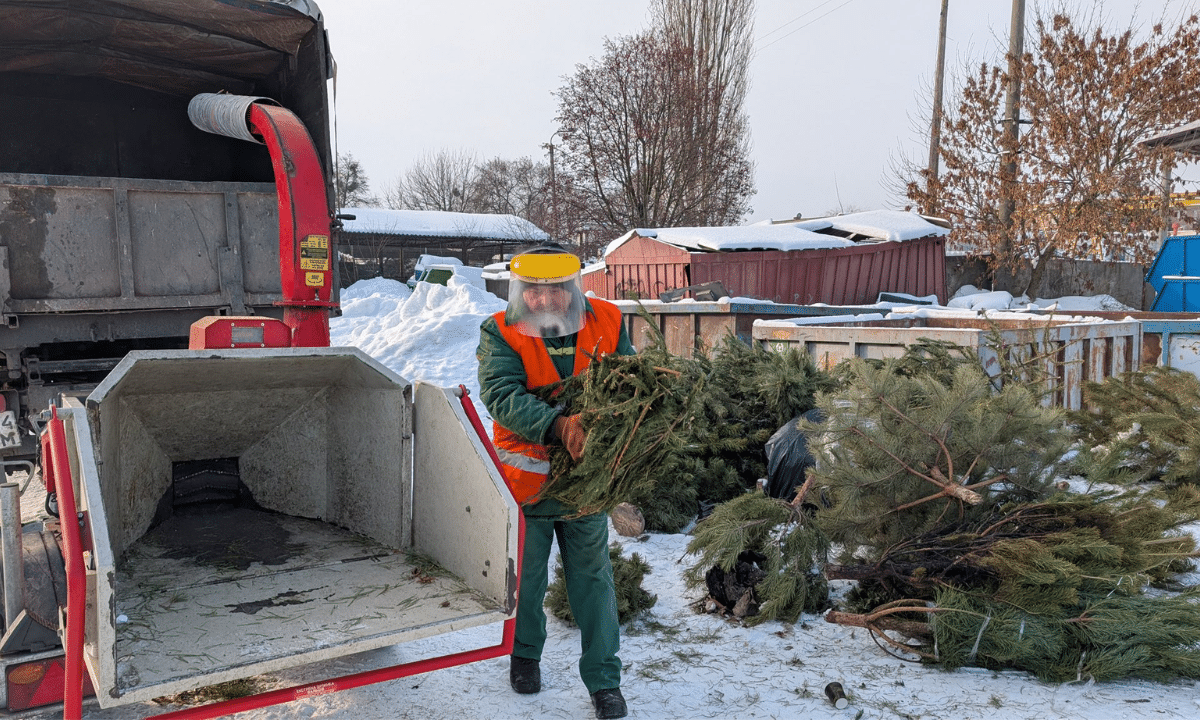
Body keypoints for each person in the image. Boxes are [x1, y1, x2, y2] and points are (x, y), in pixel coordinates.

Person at [477, 245, 634, 720]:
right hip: (528, 486)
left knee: (593, 580)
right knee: (526, 578)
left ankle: (604, 681)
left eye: (556, 290)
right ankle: (524, 656)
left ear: (573, 288)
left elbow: (628, 382)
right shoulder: (500, 331)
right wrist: (558, 426)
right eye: (535, 291)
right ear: (520, 291)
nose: (545, 300)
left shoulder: (607, 321)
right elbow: (501, 394)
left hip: (586, 484)